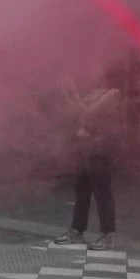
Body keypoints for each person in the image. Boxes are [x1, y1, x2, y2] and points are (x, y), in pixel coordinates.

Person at [53, 69, 122, 251]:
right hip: (84, 145)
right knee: (82, 191)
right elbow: (75, 112)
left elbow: (88, 111)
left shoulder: (113, 93)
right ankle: (77, 230)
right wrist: (67, 92)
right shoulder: (92, 92)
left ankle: (108, 235)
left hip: (100, 147)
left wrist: (72, 90)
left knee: (101, 191)